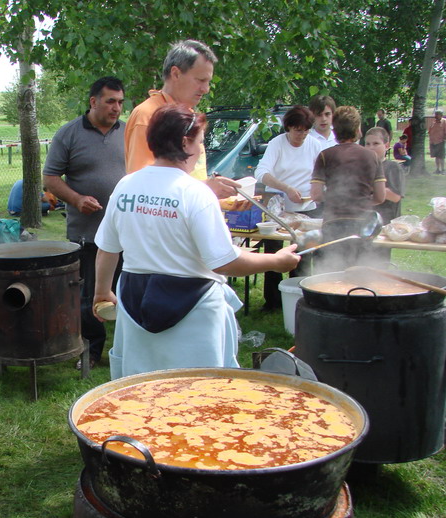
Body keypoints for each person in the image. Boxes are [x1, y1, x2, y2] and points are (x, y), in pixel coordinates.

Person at [94, 105, 299, 379]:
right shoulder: (195, 193)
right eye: (200, 142)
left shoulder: (126, 186)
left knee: (142, 386)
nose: (201, 151)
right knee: (198, 388)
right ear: (184, 143)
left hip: (135, 297)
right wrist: (276, 260)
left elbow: (108, 248)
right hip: (194, 306)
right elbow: (224, 261)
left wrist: (101, 291)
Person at [43, 76, 127, 369]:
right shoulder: (68, 134)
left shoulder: (129, 133)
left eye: (120, 102)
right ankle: (91, 350)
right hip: (87, 232)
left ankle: (129, 348)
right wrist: (77, 199)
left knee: (129, 290)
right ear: (93, 101)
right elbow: (50, 178)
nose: (116, 108)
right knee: (90, 295)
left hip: (127, 231)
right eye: (110, 101)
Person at [124, 39, 238, 199]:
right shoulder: (147, 115)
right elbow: (143, 189)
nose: (206, 89)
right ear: (176, 73)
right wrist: (205, 188)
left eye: (208, 82)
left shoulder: (189, 116)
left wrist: (217, 193)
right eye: (200, 80)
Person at [254, 105, 323, 309]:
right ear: (289, 127)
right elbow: (261, 173)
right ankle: (272, 301)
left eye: (306, 131)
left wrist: (315, 192)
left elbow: (322, 174)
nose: (301, 135)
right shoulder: (277, 144)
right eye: (297, 130)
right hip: (279, 208)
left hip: (307, 207)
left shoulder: (315, 145)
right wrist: (286, 188)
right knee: (274, 252)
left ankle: (299, 297)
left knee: (303, 254)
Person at [310, 106, 386, 270]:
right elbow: (380, 197)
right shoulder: (372, 156)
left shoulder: (325, 155)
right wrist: (359, 200)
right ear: (358, 130)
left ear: (335, 131)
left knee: (329, 275)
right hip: (363, 225)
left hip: (333, 224)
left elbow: (316, 195)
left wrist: (336, 198)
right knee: (359, 275)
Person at [365, 127, 405, 225]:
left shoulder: (393, 167)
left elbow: (396, 196)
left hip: (387, 223)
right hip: (365, 221)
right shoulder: (362, 167)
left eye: (376, 143)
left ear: (387, 146)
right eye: (367, 144)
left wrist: (370, 186)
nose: (371, 147)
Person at [429, 110, 446, 174]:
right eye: (435, 114)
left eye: (437, 114)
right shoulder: (433, 122)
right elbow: (430, 131)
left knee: (441, 156)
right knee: (436, 156)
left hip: (440, 141)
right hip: (433, 142)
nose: (436, 116)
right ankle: (437, 169)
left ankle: (443, 170)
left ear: (441, 115)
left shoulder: (444, 122)